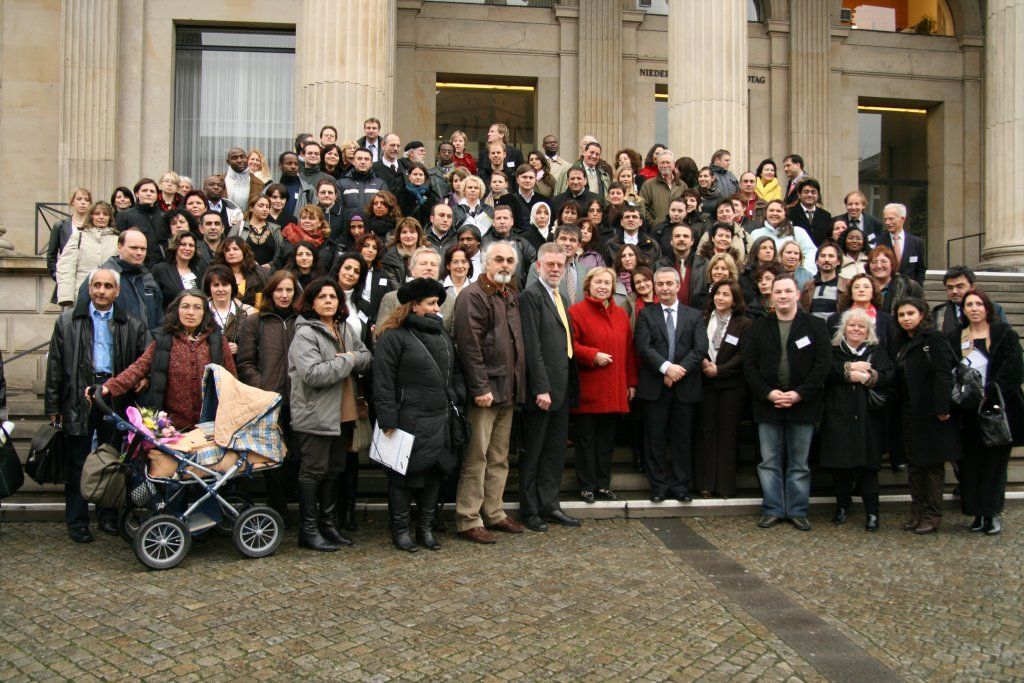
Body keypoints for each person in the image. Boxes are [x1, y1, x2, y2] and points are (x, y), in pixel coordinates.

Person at [45, 269, 150, 543]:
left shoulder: (133, 323)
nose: (102, 291)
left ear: (117, 291)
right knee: (78, 460)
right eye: (97, 285)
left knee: (112, 458)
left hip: (115, 395)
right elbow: (55, 366)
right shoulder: (67, 321)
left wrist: (144, 379)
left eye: (108, 286)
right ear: (89, 288)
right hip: (78, 395)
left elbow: (146, 358)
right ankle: (78, 521)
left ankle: (107, 516)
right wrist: (53, 406)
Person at [372, 278, 465, 552]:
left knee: (434, 475)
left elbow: (455, 369)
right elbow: (383, 380)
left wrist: (457, 392)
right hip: (407, 419)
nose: (437, 308)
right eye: (431, 303)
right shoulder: (393, 336)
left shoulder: (441, 334)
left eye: (438, 303)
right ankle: (400, 530)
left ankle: (425, 528)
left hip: (440, 418)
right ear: (414, 306)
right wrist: (388, 418)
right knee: (402, 479)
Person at [288, 278, 372, 551]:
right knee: (313, 471)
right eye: (321, 296)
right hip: (315, 414)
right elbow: (313, 374)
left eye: (333, 297)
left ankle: (328, 525)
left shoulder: (344, 328)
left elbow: (366, 357)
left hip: (345, 412)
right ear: (311, 302)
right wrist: (347, 359)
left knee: (335, 470)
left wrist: (347, 359)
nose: (328, 301)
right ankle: (308, 531)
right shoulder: (305, 333)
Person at [743, 275, 831, 531]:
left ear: (797, 295)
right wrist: (768, 393)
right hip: (767, 404)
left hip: (803, 404)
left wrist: (800, 393)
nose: (782, 295)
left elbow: (822, 364)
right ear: (771, 296)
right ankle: (772, 508)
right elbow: (749, 365)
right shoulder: (758, 327)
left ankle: (797, 510)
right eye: (777, 291)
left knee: (799, 463)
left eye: (787, 291)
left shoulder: (815, 326)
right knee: (768, 461)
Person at [452, 241, 527, 543]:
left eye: (510, 260)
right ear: (485, 262)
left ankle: (494, 512)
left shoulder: (509, 294)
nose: (505, 265)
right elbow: (469, 346)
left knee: (499, 457)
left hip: (507, 390)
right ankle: (468, 518)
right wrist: (480, 387)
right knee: (477, 457)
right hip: (485, 392)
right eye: (499, 259)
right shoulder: (474, 295)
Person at [514, 244, 584, 530]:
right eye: (550, 264)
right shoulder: (530, 296)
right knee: (534, 452)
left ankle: (550, 504)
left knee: (555, 451)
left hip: (562, 388)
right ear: (539, 266)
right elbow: (532, 345)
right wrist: (540, 387)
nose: (556, 269)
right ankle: (530, 510)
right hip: (542, 391)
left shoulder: (561, 297)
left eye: (561, 264)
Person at [101, 289, 235, 436]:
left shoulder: (217, 341)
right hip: (172, 430)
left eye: (197, 307)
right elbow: (138, 368)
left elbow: (232, 381)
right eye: (185, 307)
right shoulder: (164, 339)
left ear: (205, 312)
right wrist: (108, 388)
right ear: (177, 310)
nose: (191, 312)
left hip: (210, 428)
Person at [634, 267, 708, 502]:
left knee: (682, 439)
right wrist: (666, 368)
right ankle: (658, 486)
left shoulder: (694, 315)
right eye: (660, 284)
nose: (665, 288)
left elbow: (700, 349)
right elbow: (644, 347)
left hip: (685, 388)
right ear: (655, 288)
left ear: (678, 286)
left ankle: (680, 486)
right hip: (655, 387)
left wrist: (677, 371)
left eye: (669, 283)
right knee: (654, 440)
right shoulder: (646, 314)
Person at [953, 289, 1024, 536]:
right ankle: (977, 513)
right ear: (963, 310)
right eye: (968, 304)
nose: (973, 308)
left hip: (997, 410)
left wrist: (989, 393)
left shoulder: (1004, 334)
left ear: (987, 308)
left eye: (978, 304)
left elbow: (1013, 369)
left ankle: (992, 513)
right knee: (971, 465)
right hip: (968, 411)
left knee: (994, 465)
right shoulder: (956, 337)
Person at [567, 265, 637, 505]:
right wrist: (592, 355)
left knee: (606, 442)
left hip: (614, 388)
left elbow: (629, 351)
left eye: (607, 283)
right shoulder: (576, 312)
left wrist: (631, 382)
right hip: (590, 388)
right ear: (588, 285)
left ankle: (602, 485)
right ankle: (586, 485)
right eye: (598, 282)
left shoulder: (620, 315)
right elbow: (570, 346)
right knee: (586, 441)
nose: (603, 287)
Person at [820, 308, 895, 531]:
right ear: (844, 328)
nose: (856, 329)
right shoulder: (833, 351)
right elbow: (825, 372)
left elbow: (888, 375)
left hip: (867, 418)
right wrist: (848, 370)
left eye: (861, 326)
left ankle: (872, 513)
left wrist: (866, 377)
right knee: (840, 467)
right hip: (838, 415)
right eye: (852, 325)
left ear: (868, 330)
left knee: (869, 469)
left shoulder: (877, 351)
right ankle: (842, 507)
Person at [892, 297, 962, 534]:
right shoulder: (901, 342)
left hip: (933, 412)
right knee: (915, 464)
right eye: (901, 315)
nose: (906, 319)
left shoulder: (934, 338)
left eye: (910, 313)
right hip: (909, 411)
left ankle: (932, 514)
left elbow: (944, 373)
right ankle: (917, 512)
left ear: (922, 314)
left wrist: (942, 408)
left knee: (932, 465)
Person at [236, 271, 300, 523]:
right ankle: (277, 510)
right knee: (273, 458)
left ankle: (290, 499)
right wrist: (261, 387)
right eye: (279, 290)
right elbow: (245, 361)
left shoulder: (302, 320)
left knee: (296, 454)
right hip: (268, 400)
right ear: (271, 292)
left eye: (289, 290)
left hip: (298, 399)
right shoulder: (255, 321)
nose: (284, 295)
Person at [695, 279, 751, 499]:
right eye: (718, 294)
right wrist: (703, 363)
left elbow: (743, 355)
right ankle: (705, 484)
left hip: (731, 386)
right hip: (705, 383)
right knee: (705, 432)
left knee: (727, 434)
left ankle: (725, 486)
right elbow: (695, 344)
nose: (721, 298)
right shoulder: (702, 318)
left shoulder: (744, 323)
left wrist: (720, 370)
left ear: (735, 299)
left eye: (726, 295)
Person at [80, 228, 163, 330]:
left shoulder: (148, 280)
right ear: (120, 247)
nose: (139, 252)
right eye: (134, 248)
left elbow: (159, 320)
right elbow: (81, 318)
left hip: (147, 343)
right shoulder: (99, 278)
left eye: (143, 249)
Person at [377, 246, 455, 335]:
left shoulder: (450, 302)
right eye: (423, 264)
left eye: (433, 264)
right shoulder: (391, 299)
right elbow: (379, 335)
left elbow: (454, 338)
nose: (429, 268)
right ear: (412, 270)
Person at [55, 201, 119, 307]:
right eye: (97, 213)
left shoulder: (117, 240)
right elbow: (66, 266)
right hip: (81, 295)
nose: (101, 217)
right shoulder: (78, 237)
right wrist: (66, 297)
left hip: (109, 297)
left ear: (110, 218)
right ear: (91, 216)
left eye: (105, 214)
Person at [747, 200, 818, 276]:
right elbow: (751, 257)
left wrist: (805, 274)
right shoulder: (756, 234)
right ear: (766, 213)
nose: (774, 213)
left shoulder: (797, 232)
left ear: (785, 214)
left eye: (779, 211)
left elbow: (811, 252)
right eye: (771, 210)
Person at [932, 265, 1009, 335]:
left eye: (960, 286)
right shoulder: (940, 311)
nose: (954, 291)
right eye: (950, 288)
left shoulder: (992, 308)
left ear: (972, 287)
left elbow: (1005, 336)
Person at [203, 263, 254, 357]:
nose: (220, 289)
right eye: (216, 285)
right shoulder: (201, 312)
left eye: (225, 284)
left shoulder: (245, 313)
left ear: (232, 287)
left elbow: (254, 346)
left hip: (238, 368)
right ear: (209, 288)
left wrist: (239, 348)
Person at [115, 179, 164, 265]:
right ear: (137, 194)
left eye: (152, 191)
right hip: (134, 267)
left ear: (157, 196)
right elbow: (118, 244)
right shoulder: (124, 216)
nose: (148, 194)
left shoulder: (164, 217)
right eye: (144, 190)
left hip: (160, 268)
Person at [876, 203, 927, 285]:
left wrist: (917, 289)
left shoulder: (917, 242)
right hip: (887, 291)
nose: (887, 222)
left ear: (902, 219)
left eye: (891, 219)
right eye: (885, 219)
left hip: (910, 293)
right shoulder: (879, 241)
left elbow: (920, 269)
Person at [151, 231, 205, 307]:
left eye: (191, 245)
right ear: (175, 246)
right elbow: (153, 300)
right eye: (183, 244)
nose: (187, 248)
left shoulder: (197, 271)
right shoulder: (160, 269)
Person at [212, 236, 268, 307]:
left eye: (235, 249)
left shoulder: (257, 275)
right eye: (227, 250)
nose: (231, 253)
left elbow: (260, 306)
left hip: (252, 315)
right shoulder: (216, 274)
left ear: (244, 251)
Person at [868, 245, 923, 314]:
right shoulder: (862, 286)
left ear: (892, 264)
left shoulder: (909, 285)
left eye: (883, 261)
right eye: (874, 262)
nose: (879, 266)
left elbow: (923, 311)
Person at [231, 195, 283, 267]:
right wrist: (247, 262)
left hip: (268, 274)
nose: (265, 209)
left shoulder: (275, 229)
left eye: (267, 207)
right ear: (251, 208)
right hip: (244, 272)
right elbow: (229, 250)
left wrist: (270, 265)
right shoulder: (239, 227)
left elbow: (281, 254)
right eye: (261, 206)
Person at [799, 241, 847, 319]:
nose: (826, 259)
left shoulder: (846, 285)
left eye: (831, 256)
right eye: (823, 256)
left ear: (838, 261)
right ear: (817, 261)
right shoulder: (808, 285)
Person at [640, 149, 686, 226]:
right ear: (658, 165)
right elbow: (643, 207)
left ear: (674, 165)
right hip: (657, 231)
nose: (665, 165)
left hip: (679, 229)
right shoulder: (648, 185)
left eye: (668, 162)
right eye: (662, 163)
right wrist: (654, 224)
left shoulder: (682, 185)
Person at [354, 233, 392, 324]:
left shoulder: (382, 274)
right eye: (366, 246)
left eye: (374, 248)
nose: (370, 250)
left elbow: (387, 301)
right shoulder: (351, 272)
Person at [381, 217, 427, 287]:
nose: (408, 236)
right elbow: (393, 286)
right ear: (399, 236)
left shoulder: (428, 255)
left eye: (412, 232)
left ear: (418, 234)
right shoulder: (390, 258)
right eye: (404, 232)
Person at [786, 177, 832, 246]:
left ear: (818, 195)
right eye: (806, 192)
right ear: (799, 194)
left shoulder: (826, 216)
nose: (810, 195)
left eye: (813, 192)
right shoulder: (790, 213)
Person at [224, 147, 265, 211]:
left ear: (247, 159)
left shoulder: (258, 183)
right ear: (228, 162)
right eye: (234, 158)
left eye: (242, 157)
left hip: (248, 220)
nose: (239, 160)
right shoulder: (220, 181)